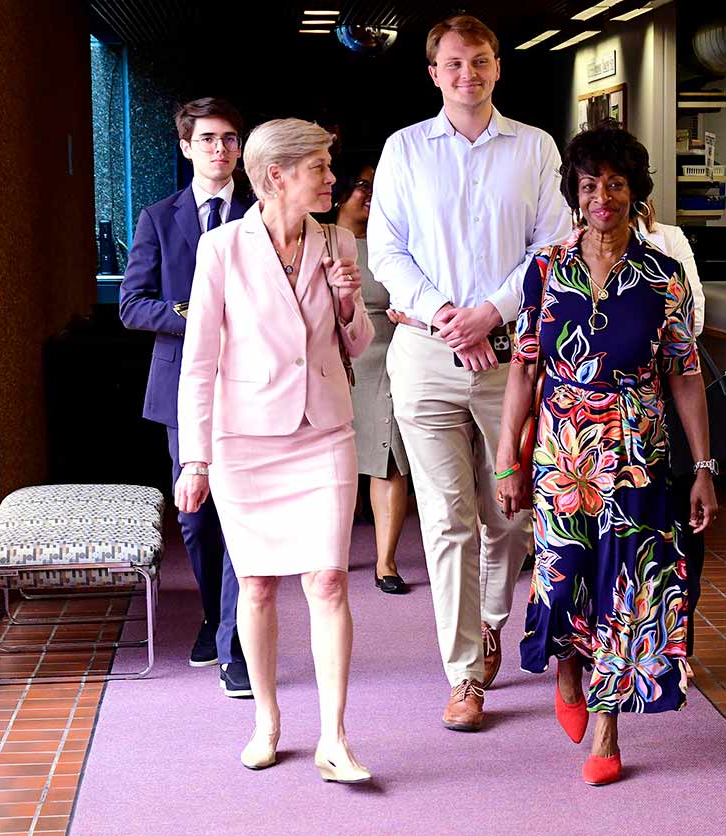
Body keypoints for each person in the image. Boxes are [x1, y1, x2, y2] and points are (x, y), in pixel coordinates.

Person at [495, 123, 718, 786]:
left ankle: (606, 728)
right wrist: (508, 457)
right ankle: (567, 666)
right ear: (575, 193)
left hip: (638, 457)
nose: (603, 197)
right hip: (564, 456)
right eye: (591, 185)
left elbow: (684, 372)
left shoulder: (664, 277)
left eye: (616, 184)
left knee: (627, 588)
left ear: (634, 193)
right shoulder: (546, 272)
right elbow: (524, 370)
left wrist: (703, 468)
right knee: (562, 576)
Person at [368, 14, 570, 731]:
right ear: (433, 73)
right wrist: (448, 313)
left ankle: (491, 619)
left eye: (478, 61)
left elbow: (552, 248)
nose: (467, 74)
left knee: (510, 513)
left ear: (496, 67)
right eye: (453, 64)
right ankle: (464, 677)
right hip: (425, 353)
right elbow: (386, 252)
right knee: (449, 519)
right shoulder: (404, 150)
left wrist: (489, 313)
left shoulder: (535, 149)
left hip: (509, 357)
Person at [175, 118, 375, 783]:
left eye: (328, 163)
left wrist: (349, 306)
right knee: (257, 584)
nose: (330, 177)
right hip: (245, 437)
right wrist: (195, 457)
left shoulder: (339, 240)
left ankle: (335, 737)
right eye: (319, 166)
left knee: (328, 579)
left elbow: (357, 345)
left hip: (323, 431)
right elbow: (199, 361)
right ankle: (266, 721)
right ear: (278, 175)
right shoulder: (221, 249)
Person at [119, 97, 253, 698]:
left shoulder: (262, 214)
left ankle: (234, 643)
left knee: (240, 514)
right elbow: (132, 304)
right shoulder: (157, 217)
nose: (219, 150)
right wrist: (192, 314)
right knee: (196, 520)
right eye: (207, 140)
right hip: (181, 388)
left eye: (229, 139)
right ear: (185, 147)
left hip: (251, 383)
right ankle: (211, 614)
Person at [328, 153, 411, 595]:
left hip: (386, 357)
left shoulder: (391, 242)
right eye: (363, 185)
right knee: (335, 463)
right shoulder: (318, 241)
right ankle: (330, 553)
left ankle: (386, 561)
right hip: (334, 359)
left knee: (389, 458)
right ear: (341, 189)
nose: (371, 195)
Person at [632, 202, 709, 655]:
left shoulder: (670, 240)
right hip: (601, 418)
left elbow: (695, 315)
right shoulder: (568, 246)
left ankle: (677, 644)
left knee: (679, 531)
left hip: (671, 402)